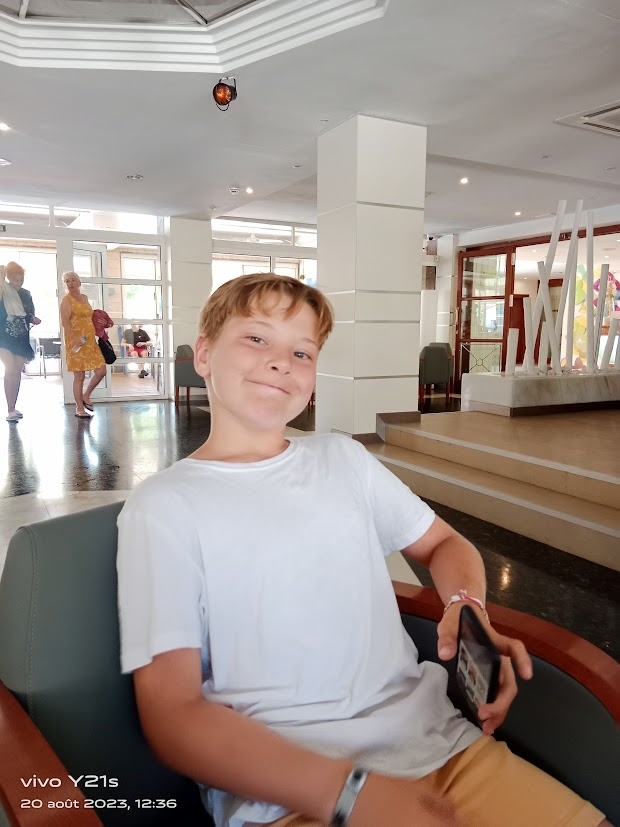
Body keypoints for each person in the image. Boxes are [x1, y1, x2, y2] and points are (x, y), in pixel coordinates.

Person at [116, 273, 609, 827]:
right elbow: (172, 716)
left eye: (302, 352)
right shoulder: (164, 506)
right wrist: (350, 794)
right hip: (291, 794)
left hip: (446, 746)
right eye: (256, 338)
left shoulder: (342, 459)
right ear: (203, 354)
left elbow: (445, 543)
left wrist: (466, 607)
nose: (280, 362)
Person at [60, 271, 106, 418]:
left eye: (73, 280)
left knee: (101, 371)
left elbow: (89, 317)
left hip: (89, 340)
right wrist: (74, 339)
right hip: (76, 343)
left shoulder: (85, 298)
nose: (70, 284)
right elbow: (65, 323)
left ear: (79, 282)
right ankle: (79, 408)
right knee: (79, 376)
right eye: (67, 281)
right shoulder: (66, 301)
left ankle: (86, 395)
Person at [0, 261, 41, 422]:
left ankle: (12, 408)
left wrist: (33, 318)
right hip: (3, 336)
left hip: (21, 337)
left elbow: (29, 313)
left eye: (21, 279)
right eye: (15, 280)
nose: (19, 283)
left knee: (16, 372)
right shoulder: (3, 290)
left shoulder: (26, 294)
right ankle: (10, 409)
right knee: (10, 369)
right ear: (9, 278)